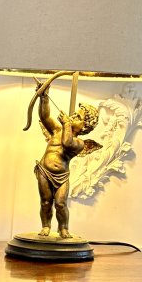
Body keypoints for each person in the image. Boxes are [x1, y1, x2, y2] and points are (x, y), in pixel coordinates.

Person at [33, 84, 99, 239]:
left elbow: (67, 143)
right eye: (74, 114)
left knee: (60, 204)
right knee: (45, 202)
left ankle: (63, 228)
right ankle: (45, 226)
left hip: (61, 176)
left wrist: (67, 124)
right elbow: (45, 117)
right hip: (44, 170)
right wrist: (44, 97)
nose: (73, 117)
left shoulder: (80, 143)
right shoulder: (57, 130)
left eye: (78, 117)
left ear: (85, 127)